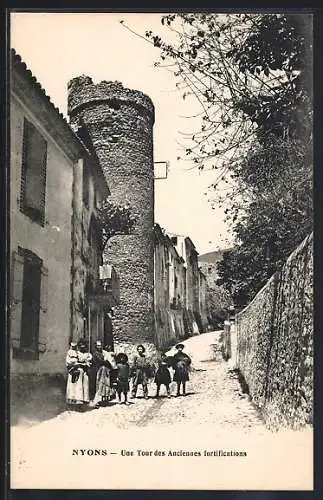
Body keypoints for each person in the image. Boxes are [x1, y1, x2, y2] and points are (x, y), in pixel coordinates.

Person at [66, 339, 92, 409]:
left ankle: (83, 401)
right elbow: (71, 362)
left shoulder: (88, 354)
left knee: (84, 386)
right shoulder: (75, 353)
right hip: (77, 371)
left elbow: (89, 363)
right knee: (77, 386)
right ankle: (75, 401)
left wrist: (86, 364)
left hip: (84, 371)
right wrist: (78, 364)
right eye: (81, 346)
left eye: (84, 346)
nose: (82, 348)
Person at [90, 340, 115, 408]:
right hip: (98, 371)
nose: (100, 347)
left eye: (100, 345)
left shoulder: (104, 353)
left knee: (106, 384)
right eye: (98, 345)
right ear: (96, 346)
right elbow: (99, 361)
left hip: (105, 370)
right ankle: (96, 401)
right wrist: (106, 361)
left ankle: (104, 400)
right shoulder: (95, 354)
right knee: (99, 385)